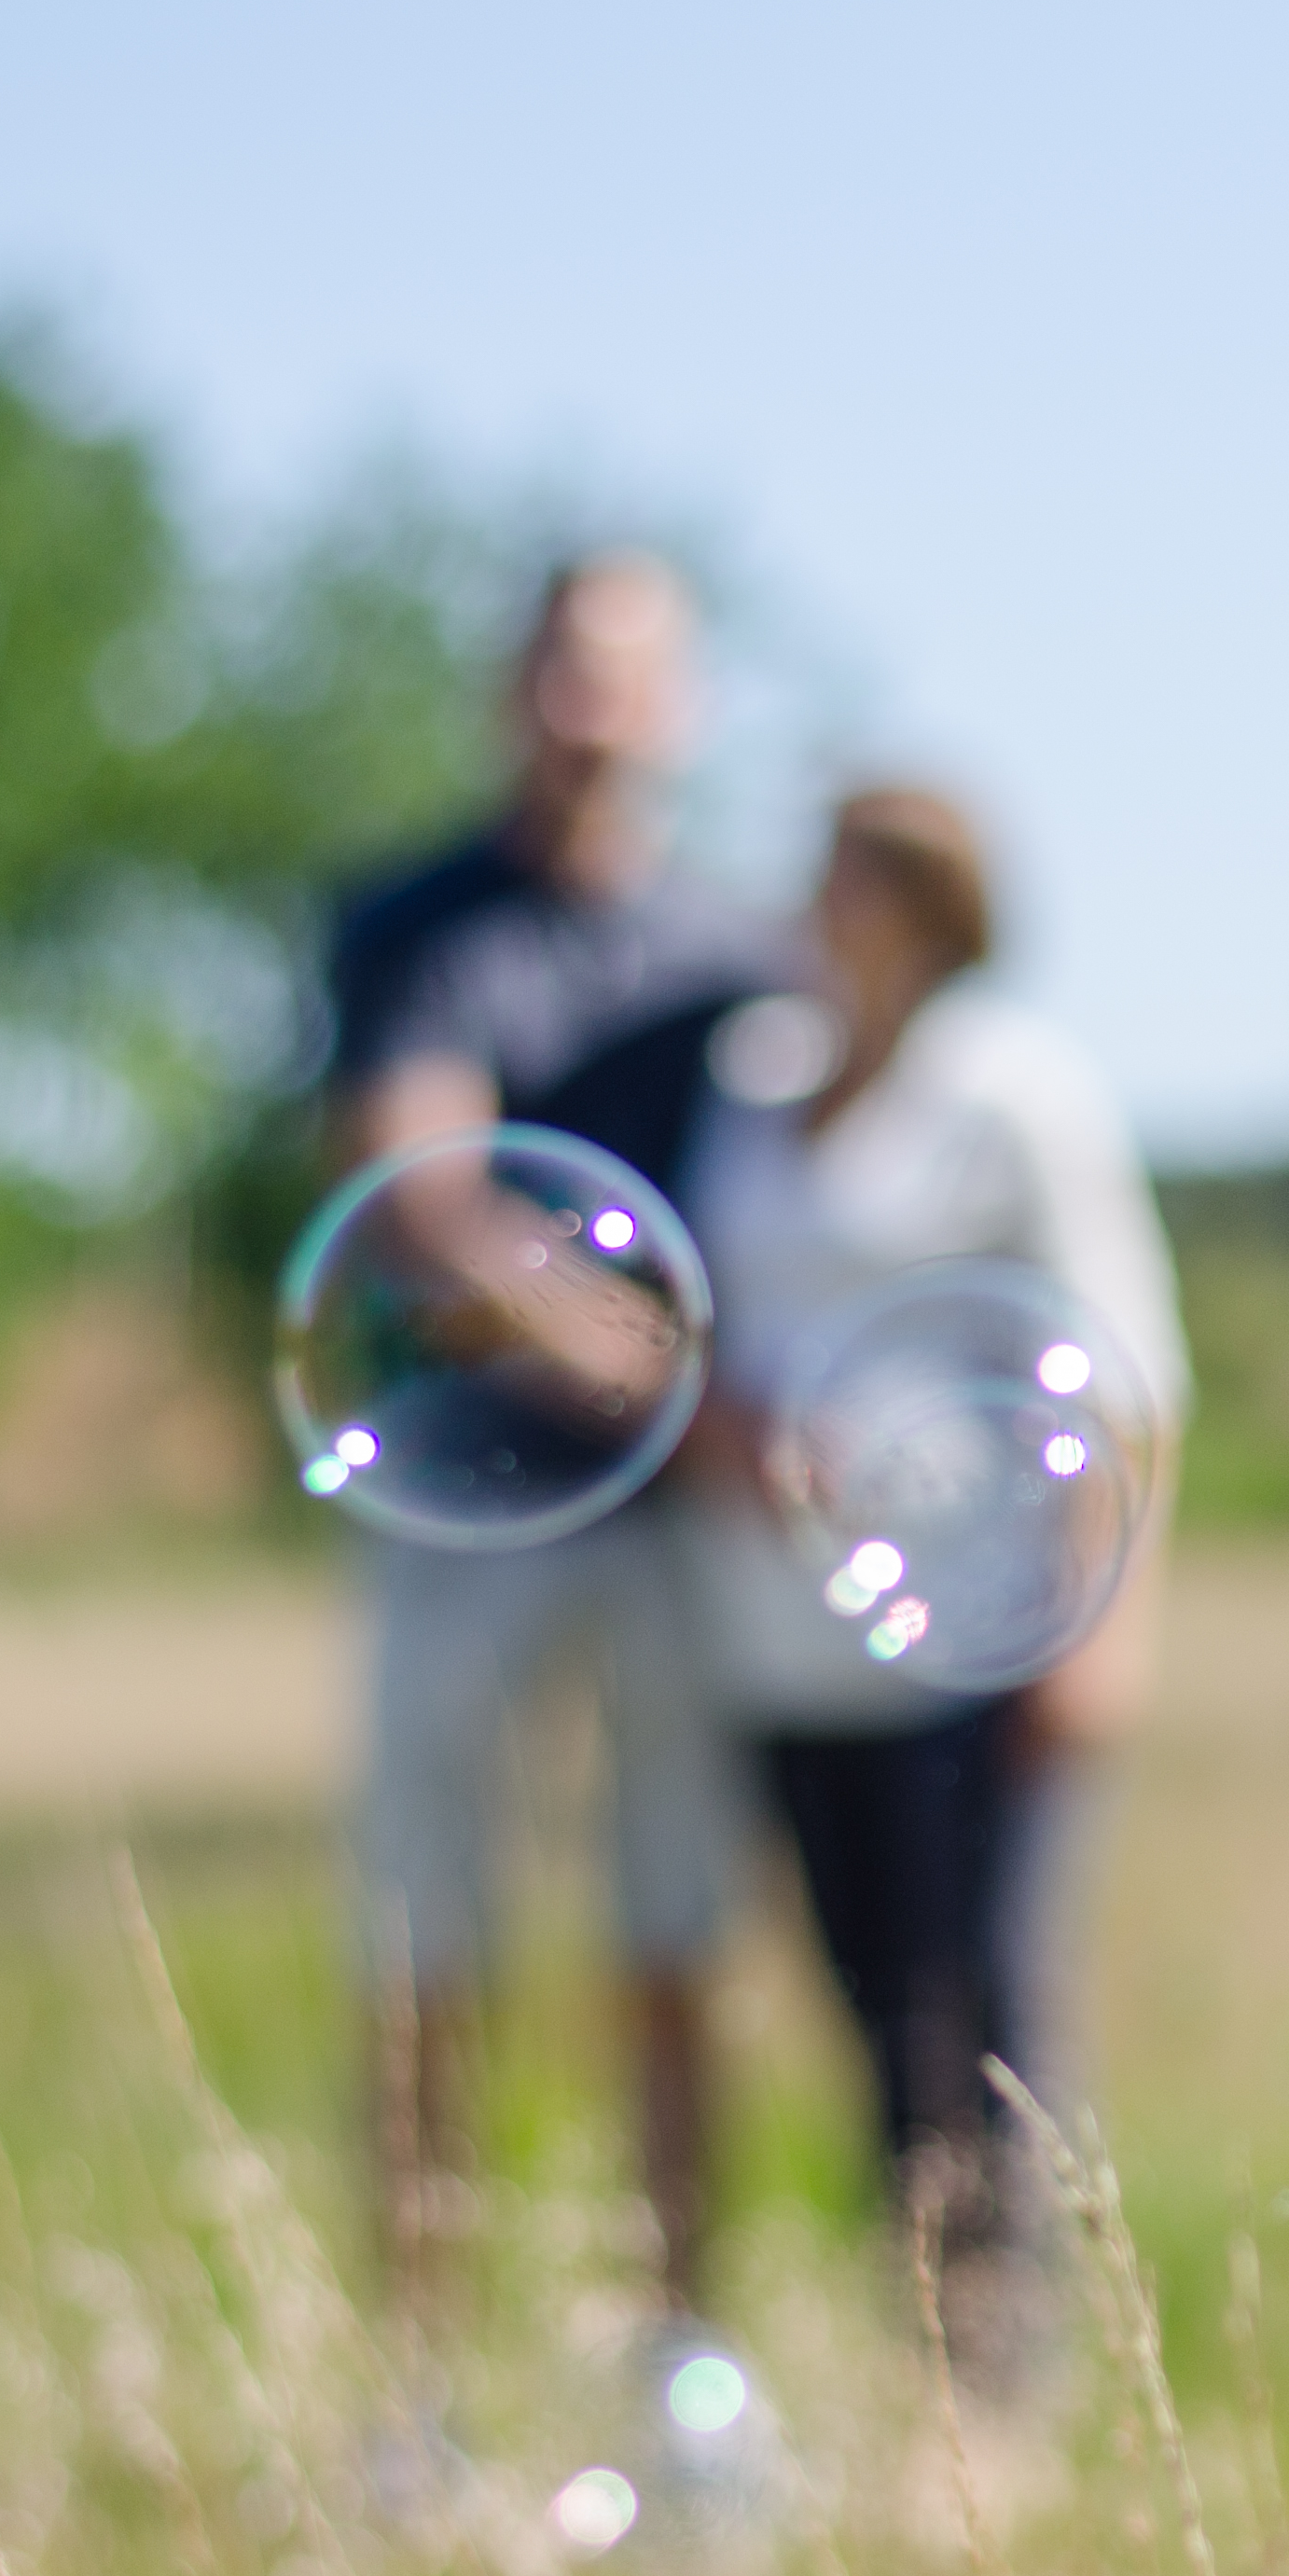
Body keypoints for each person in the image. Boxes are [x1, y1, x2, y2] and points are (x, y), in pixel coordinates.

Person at [322, 548, 793, 2331]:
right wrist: (679, 1392)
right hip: (454, 1508)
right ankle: (422, 2389)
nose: (591, 703)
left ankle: (684, 2376)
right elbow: (423, 1209)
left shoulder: (744, 957)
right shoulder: (414, 929)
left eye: (627, 670)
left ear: (681, 706)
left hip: (675, 1538)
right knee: (430, 1954)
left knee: (675, 1946)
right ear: (510, 689)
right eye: (560, 666)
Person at [671, 784, 1184, 2375]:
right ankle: (933, 2361)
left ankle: (1003, 2381)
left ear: (931, 908)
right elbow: (697, 1313)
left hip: (976, 1633)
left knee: (984, 2012)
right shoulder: (749, 1083)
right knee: (868, 2011)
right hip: (777, 1639)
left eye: (857, 879)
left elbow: (1120, 1372)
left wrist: (1106, 1625)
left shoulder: (1015, 1092)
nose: (821, 905)